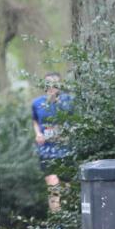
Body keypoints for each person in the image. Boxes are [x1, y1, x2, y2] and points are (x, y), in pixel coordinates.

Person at [32, 72, 73, 212]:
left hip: (67, 151)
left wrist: (66, 134)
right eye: (48, 83)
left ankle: (67, 222)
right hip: (47, 152)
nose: (51, 86)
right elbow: (35, 121)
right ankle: (57, 225)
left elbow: (77, 123)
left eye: (55, 83)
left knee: (67, 190)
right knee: (53, 187)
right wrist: (38, 133)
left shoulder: (69, 101)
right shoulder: (37, 103)